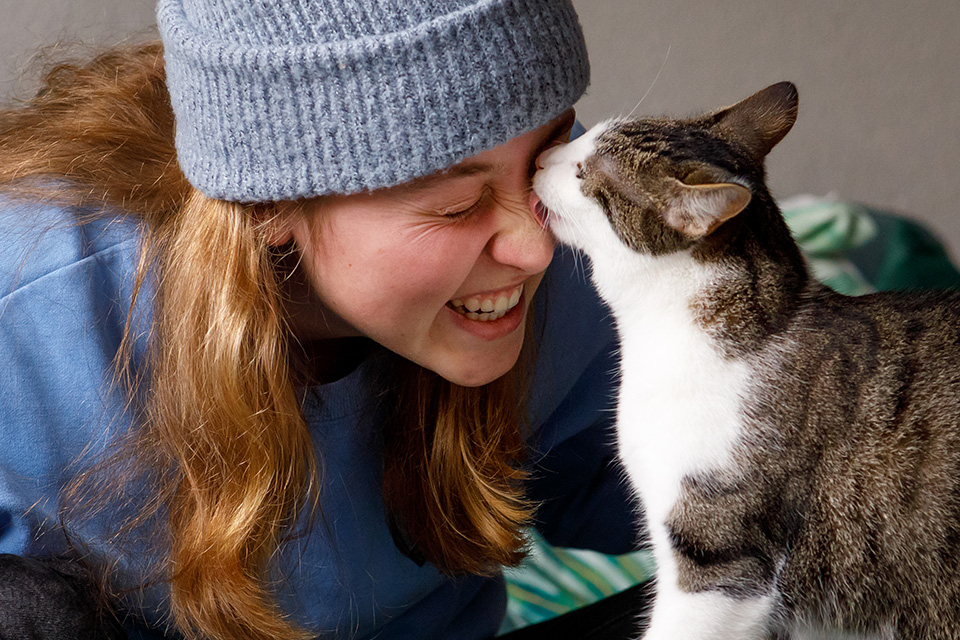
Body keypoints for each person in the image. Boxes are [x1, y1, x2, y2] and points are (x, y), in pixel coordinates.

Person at [0, 1, 647, 639]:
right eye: (456, 206)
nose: (535, 249)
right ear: (268, 204)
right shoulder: (29, 312)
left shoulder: (559, 237)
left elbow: (649, 498)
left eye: (547, 159)